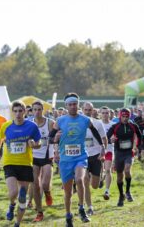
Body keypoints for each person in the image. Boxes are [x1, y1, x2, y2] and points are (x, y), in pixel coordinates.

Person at [50, 93, 105, 226]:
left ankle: (81, 208)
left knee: (80, 179)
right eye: (70, 104)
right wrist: (55, 139)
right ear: (66, 106)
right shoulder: (60, 121)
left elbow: (95, 132)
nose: (73, 107)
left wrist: (102, 146)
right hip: (65, 159)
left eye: (75, 104)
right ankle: (68, 216)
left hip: (80, 157)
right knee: (68, 192)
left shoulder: (85, 119)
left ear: (78, 105)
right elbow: (51, 138)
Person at [0, 101, 41, 227]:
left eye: (20, 111)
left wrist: (34, 145)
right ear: (12, 112)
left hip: (25, 164)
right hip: (10, 163)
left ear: (25, 112)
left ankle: (17, 223)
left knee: (22, 196)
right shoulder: (6, 126)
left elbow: (39, 142)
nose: (18, 114)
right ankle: (11, 204)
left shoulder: (32, 126)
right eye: (15, 111)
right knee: (14, 192)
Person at [107, 108, 142, 207]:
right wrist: (111, 140)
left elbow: (140, 136)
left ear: (129, 116)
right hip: (118, 153)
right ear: (120, 116)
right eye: (123, 116)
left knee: (127, 170)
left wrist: (138, 147)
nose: (125, 118)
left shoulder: (133, 126)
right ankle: (121, 195)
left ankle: (128, 191)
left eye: (127, 117)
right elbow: (107, 137)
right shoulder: (115, 126)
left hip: (128, 152)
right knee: (119, 177)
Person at [30, 101, 55, 222]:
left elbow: (56, 137)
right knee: (35, 184)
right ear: (32, 110)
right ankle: (39, 211)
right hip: (33, 157)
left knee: (45, 184)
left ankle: (48, 193)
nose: (37, 112)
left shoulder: (50, 123)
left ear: (43, 110)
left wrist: (56, 150)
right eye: (35, 109)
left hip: (47, 157)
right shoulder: (29, 124)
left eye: (39, 109)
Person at [82, 102, 107, 216]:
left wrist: (103, 152)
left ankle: (99, 177)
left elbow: (104, 138)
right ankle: (89, 206)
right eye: (86, 110)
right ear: (82, 110)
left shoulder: (97, 123)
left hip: (96, 155)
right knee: (85, 181)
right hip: (83, 156)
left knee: (95, 186)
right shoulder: (78, 123)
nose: (87, 112)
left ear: (93, 111)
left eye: (89, 110)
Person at [100, 106, 116, 200]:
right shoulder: (97, 124)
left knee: (108, 170)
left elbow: (116, 136)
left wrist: (114, 139)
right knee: (100, 171)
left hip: (109, 150)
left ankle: (107, 190)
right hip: (98, 151)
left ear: (110, 114)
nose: (105, 115)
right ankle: (101, 178)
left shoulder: (113, 125)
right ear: (100, 114)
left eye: (107, 113)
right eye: (103, 113)